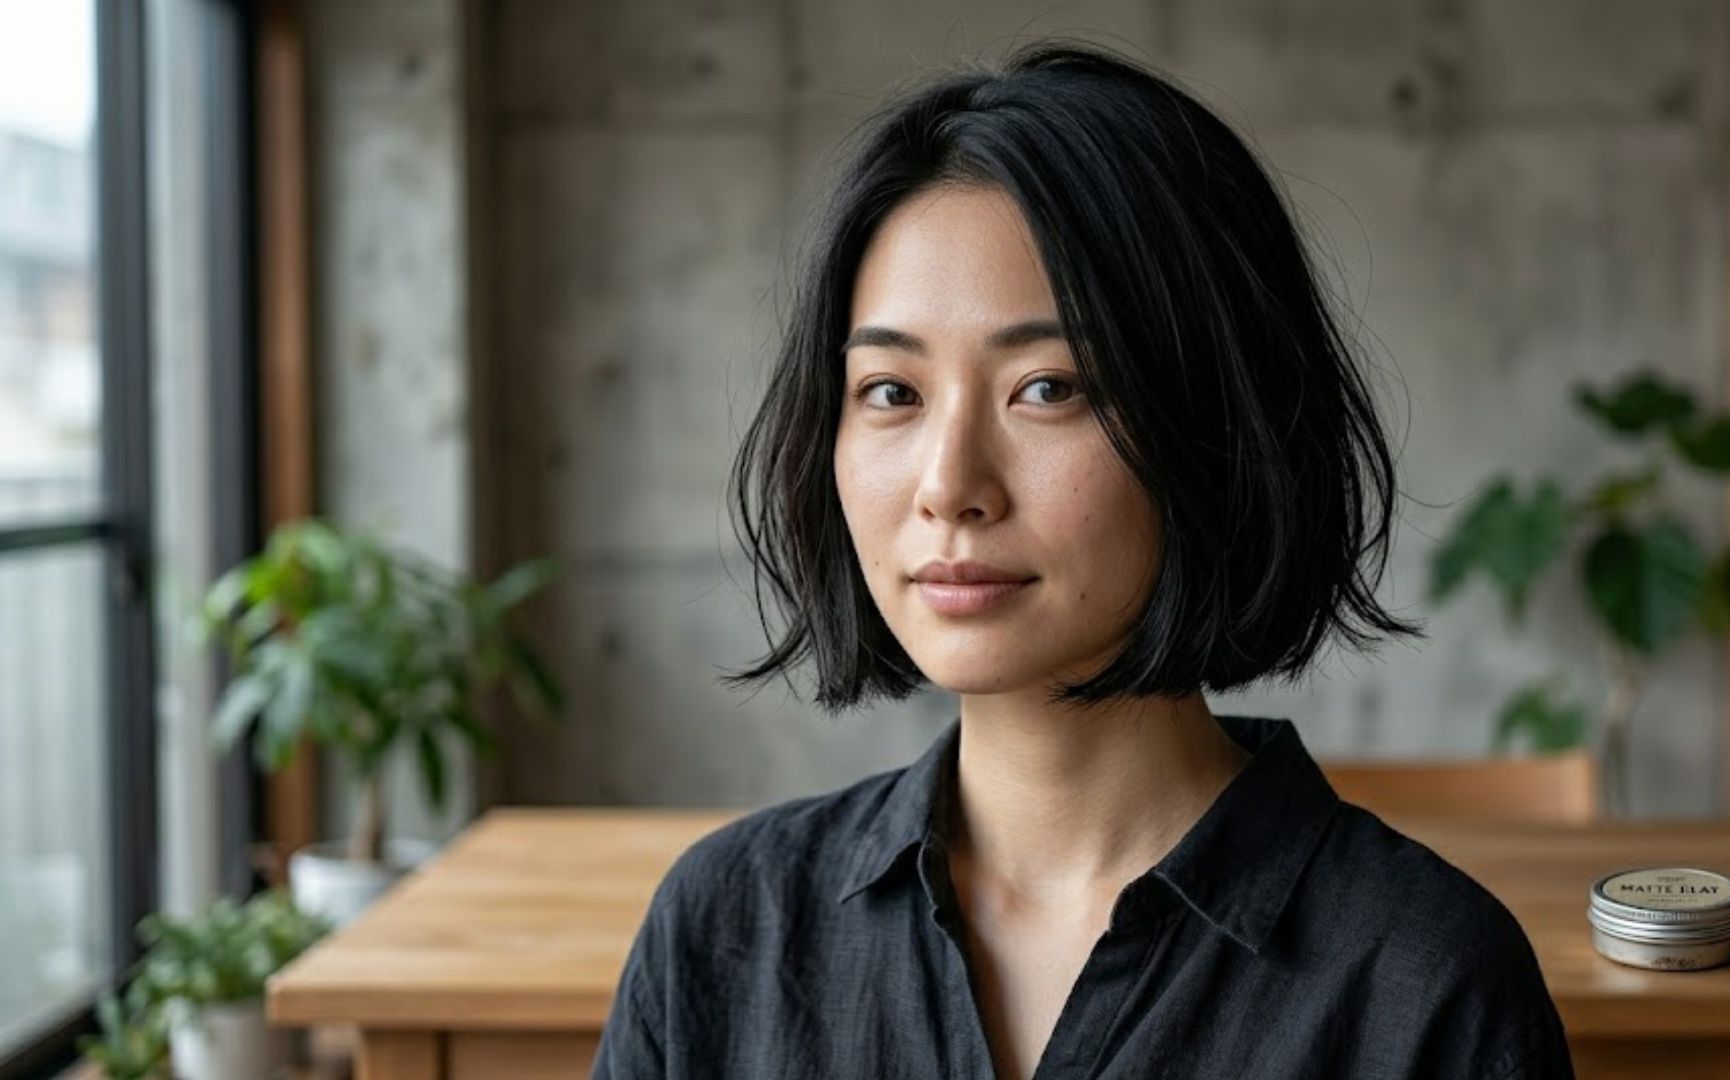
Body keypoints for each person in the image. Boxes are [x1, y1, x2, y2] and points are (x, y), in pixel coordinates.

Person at [590, 39, 1574, 1080]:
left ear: (1222, 427)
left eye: (1049, 388)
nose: (948, 482)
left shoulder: (1423, 981)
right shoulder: (726, 929)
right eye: (892, 392)